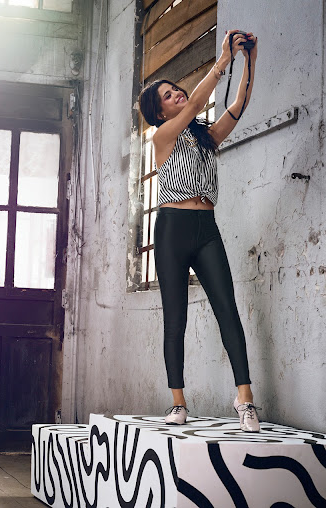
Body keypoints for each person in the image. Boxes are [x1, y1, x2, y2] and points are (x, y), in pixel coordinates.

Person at [138, 30, 260, 432]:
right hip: (172, 230)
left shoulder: (204, 137)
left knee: (228, 310)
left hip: (206, 228)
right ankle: (178, 402)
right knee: (176, 319)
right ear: (159, 113)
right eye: (168, 95)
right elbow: (194, 105)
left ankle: (245, 399)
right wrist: (222, 59)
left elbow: (238, 106)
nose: (177, 94)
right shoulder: (162, 136)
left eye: (177, 89)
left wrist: (249, 60)